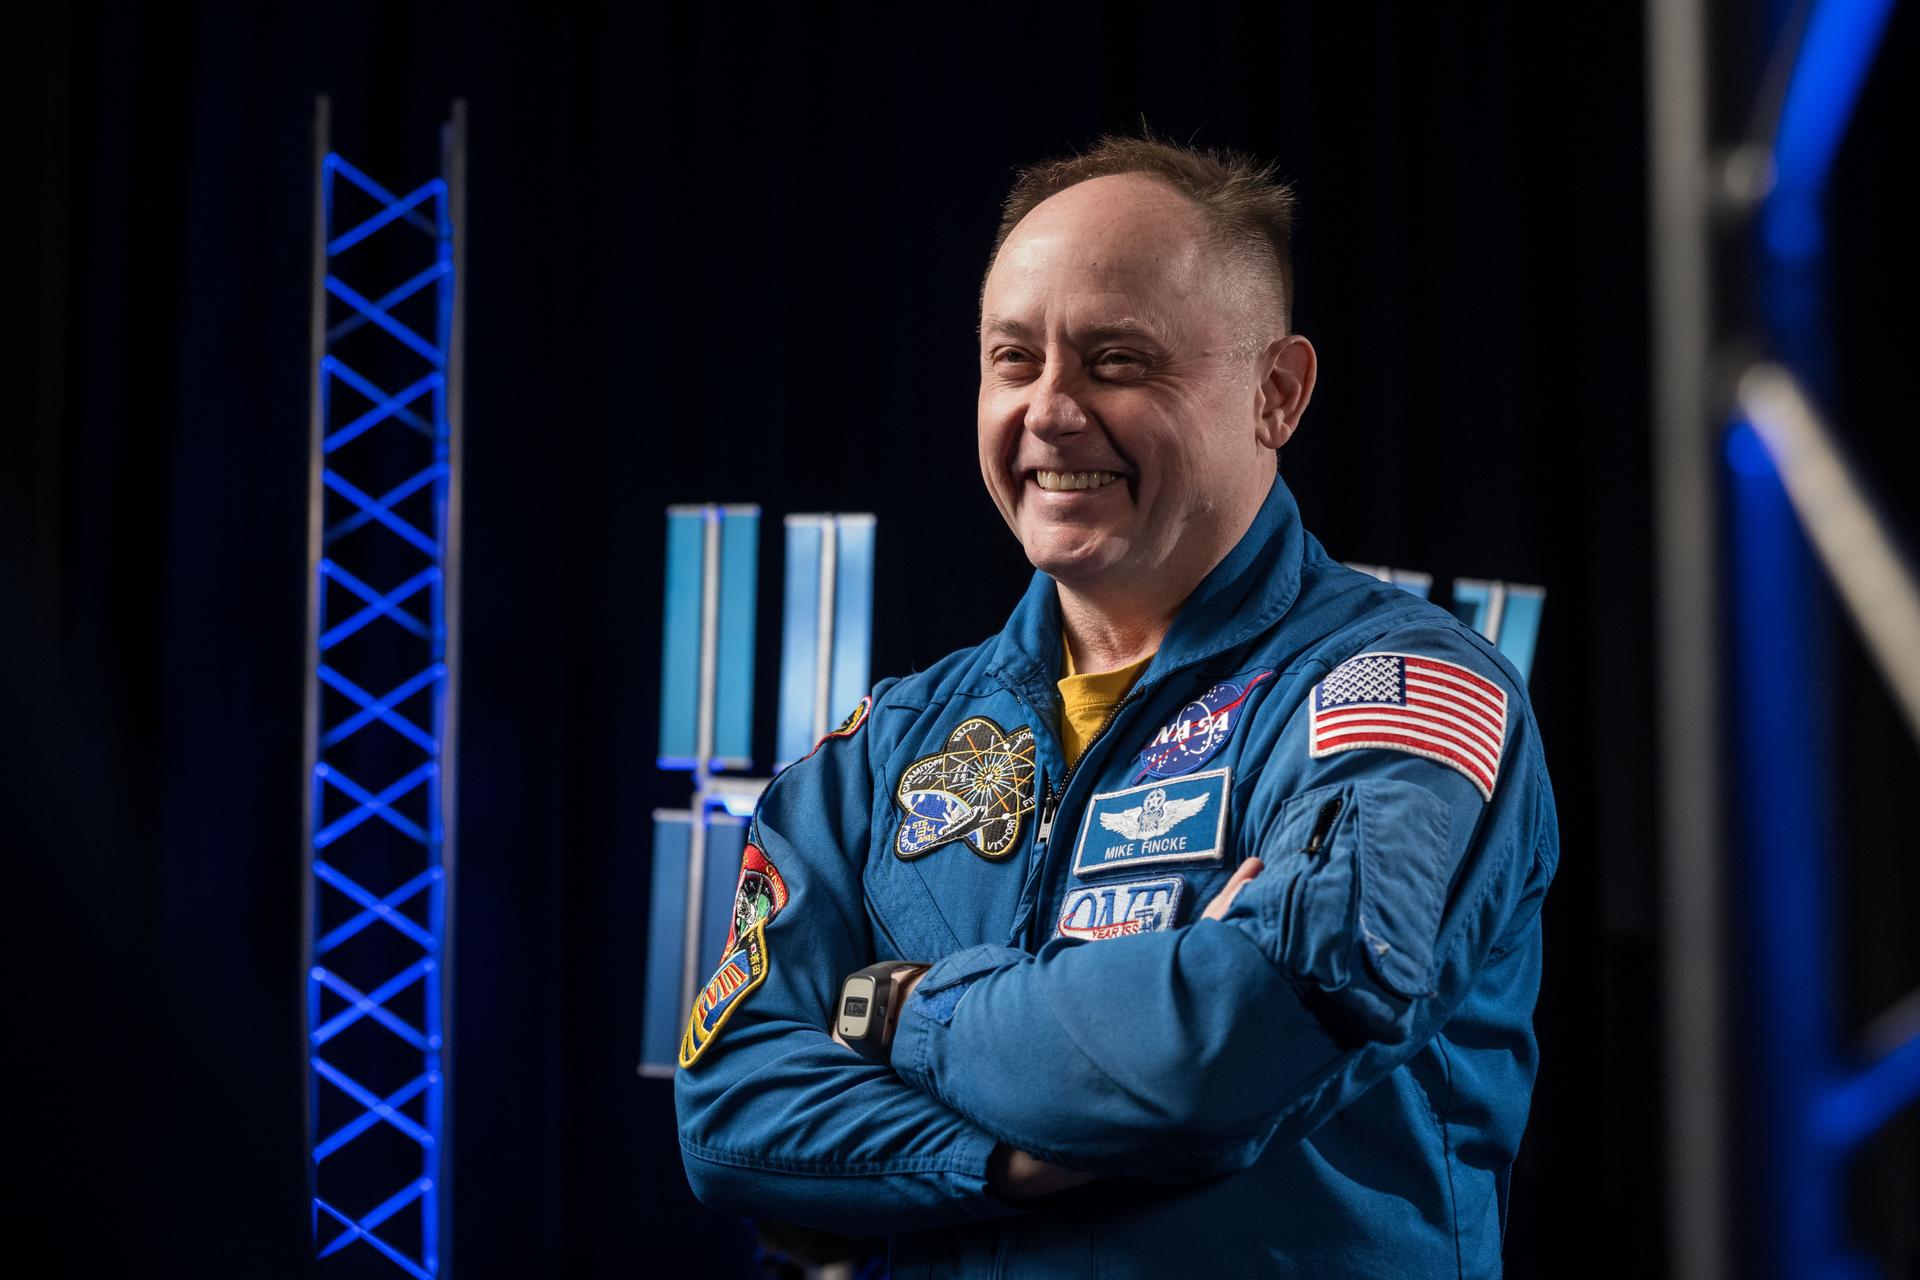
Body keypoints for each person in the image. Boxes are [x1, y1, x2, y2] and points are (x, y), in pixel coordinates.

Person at [674, 134, 1558, 1278]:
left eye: (1117, 360)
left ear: (1275, 393)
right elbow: (730, 1105)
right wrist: (1003, 1160)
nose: (1049, 411)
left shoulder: (1401, 693)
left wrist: (902, 1014)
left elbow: (1234, 1035)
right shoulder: (890, 744)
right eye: (1012, 359)